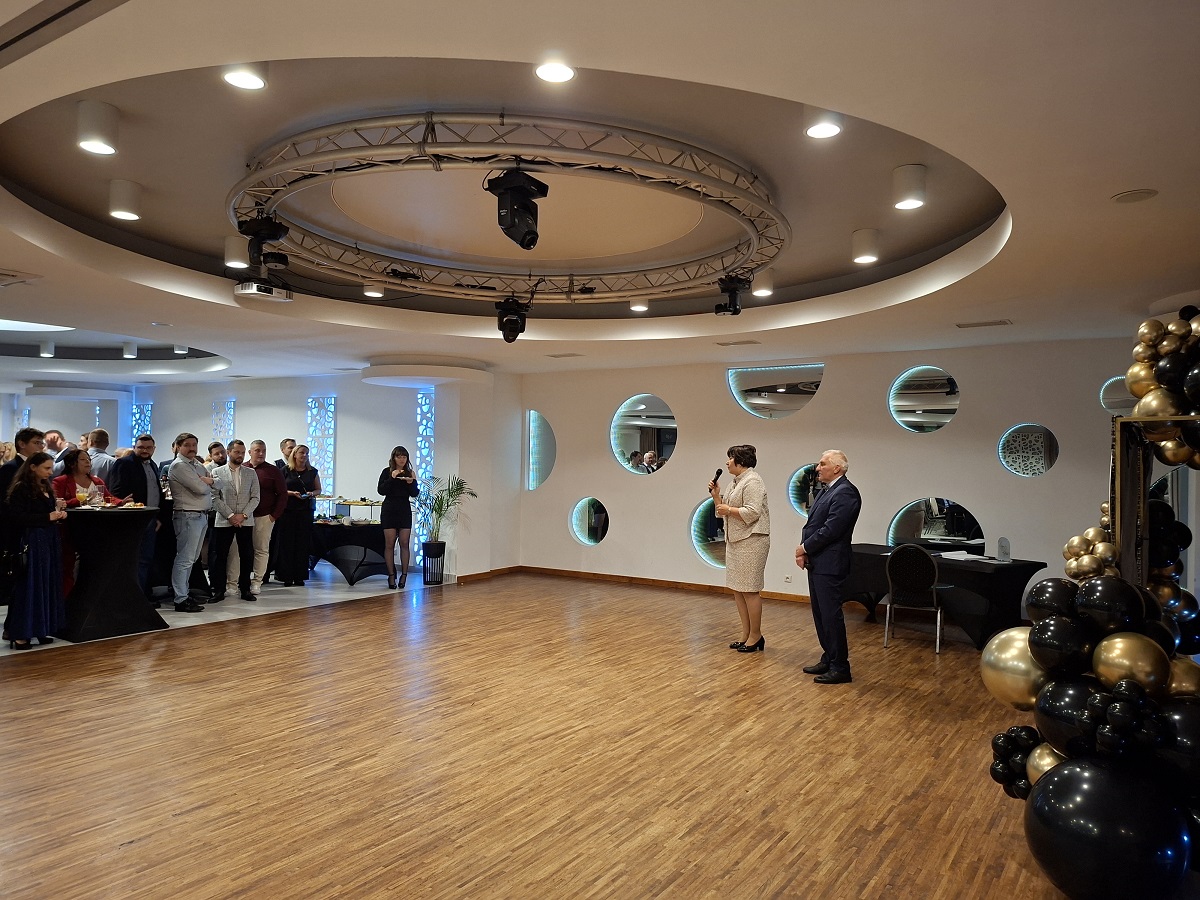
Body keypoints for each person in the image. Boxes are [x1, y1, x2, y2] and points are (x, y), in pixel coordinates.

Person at [795, 449, 862, 685]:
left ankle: (840, 667)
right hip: (819, 561)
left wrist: (804, 547)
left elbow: (832, 529)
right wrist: (806, 550)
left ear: (837, 468)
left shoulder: (846, 492)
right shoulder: (828, 490)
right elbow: (813, 524)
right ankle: (829, 657)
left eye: (822, 464)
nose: (817, 468)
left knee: (831, 616)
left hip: (830, 563)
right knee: (821, 614)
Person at [708, 444, 770, 653]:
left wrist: (729, 509)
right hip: (736, 540)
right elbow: (722, 511)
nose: (727, 462)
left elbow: (752, 512)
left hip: (752, 540)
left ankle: (756, 635)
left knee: (750, 590)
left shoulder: (753, 481)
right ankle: (746, 634)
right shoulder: (735, 482)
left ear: (741, 461)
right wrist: (716, 496)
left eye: (730, 458)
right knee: (738, 589)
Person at [4, 452, 67, 649]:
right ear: (33, 467)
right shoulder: (21, 488)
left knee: (46, 585)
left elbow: (45, 512)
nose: (50, 472)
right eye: (46, 468)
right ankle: (21, 634)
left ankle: (40, 629)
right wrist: (48, 517)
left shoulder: (44, 486)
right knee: (30, 587)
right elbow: (17, 517)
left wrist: (58, 512)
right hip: (32, 542)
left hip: (47, 540)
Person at [108, 433, 162, 603]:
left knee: (146, 559)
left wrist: (157, 516)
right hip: (133, 518)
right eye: (141, 447)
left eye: (148, 447)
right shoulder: (124, 463)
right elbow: (115, 491)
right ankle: (133, 598)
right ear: (134, 448)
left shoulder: (152, 464)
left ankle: (142, 595)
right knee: (133, 560)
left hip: (150, 517)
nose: (145, 450)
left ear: (154, 449)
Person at [167, 433, 212, 613]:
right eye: (187, 445)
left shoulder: (196, 464)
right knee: (184, 559)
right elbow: (200, 488)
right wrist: (208, 482)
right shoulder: (179, 465)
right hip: (188, 516)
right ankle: (180, 599)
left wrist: (210, 481)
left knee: (192, 559)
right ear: (178, 446)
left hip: (201, 515)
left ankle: (184, 593)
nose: (192, 448)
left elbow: (220, 484)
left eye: (194, 444)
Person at [209, 440, 260, 602]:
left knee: (246, 555)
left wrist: (243, 515)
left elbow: (256, 497)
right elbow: (214, 497)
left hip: (245, 520)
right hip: (224, 520)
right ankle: (219, 590)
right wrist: (230, 515)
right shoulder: (217, 472)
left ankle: (245, 589)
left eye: (243, 452)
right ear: (229, 452)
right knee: (220, 556)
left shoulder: (251, 473)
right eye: (237, 452)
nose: (240, 455)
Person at [243, 440, 287, 595]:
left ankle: (257, 582)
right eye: (257, 450)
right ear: (250, 452)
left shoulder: (273, 471)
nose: (261, 453)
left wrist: (273, 516)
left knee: (261, 550)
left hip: (264, 516)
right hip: (243, 516)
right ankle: (237, 582)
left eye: (263, 450)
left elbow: (282, 494)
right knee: (239, 550)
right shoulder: (243, 468)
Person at [276, 444, 320, 586]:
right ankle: (286, 576)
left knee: (302, 543)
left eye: (306, 453)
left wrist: (311, 493)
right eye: (301, 453)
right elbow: (278, 490)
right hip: (288, 510)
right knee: (287, 543)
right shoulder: (285, 470)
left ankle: (300, 576)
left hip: (305, 511)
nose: (304, 455)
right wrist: (291, 493)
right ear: (294, 454)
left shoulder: (312, 471)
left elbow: (318, 489)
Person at [378, 445, 419, 589]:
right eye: (399, 457)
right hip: (389, 509)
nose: (402, 459)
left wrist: (411, 483)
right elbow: (381, 490)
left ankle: (404, 575)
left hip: (404, 509)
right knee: (389, 544)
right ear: (394, 458)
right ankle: (391, 575)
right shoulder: (387, 472)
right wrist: (392, 477)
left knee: (404, 543)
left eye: (404, 457)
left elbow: (414, 493)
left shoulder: (410, 473)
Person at [52, 449, 124, 507]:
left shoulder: (97, 481)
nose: (87, 461)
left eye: (89, 459)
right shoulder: (60, 481)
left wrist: (122, 502)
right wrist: (82, 499)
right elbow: (57, 503)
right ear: (72, 464)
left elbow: (108, 498)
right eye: (83, 459)